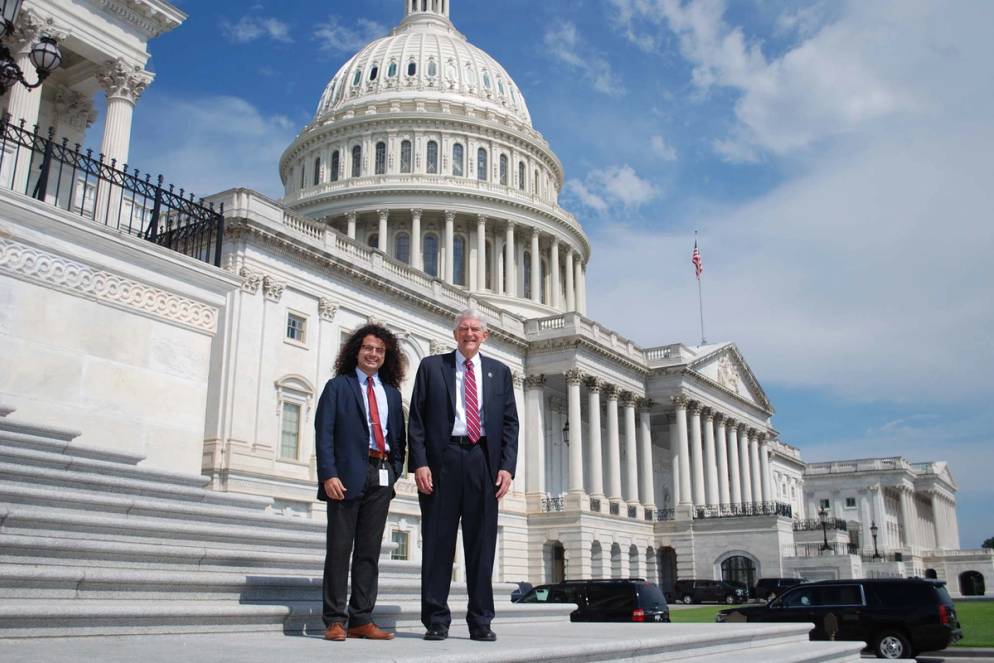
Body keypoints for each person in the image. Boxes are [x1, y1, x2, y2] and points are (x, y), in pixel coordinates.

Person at [409, 309, 519, 642]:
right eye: (463, 328)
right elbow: (415, 419)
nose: (469, 333)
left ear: (485, 336)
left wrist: (507, 466)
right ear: (454, 334)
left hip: (482, 461)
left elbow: (510, 424)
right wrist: (420, 463)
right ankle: (436, 619)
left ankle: (481, 620)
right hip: (443, 459)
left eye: (476, 329)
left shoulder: (499, 373)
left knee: (482, 545)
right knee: (438, 543)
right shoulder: (432, 367)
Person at [315, 324, 406, 641]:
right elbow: (323, 433)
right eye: (368, 348)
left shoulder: (391, 394)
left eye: (380, 350)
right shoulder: (337, 387)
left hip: (380, 476)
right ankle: (335, 619)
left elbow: (399, 440)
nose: (373, 354)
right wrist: (328, 473)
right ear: (356, 350)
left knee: (369, 552)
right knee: (339, 549)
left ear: (386, 356)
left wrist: (393, 474)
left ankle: (361, 618)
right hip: (345, 475)